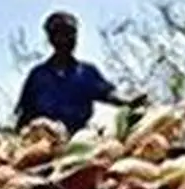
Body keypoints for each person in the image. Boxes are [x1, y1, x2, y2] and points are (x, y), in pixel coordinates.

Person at [15, 11, 146, 134]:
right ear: (51, 39)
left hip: (80, 138)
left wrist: (129, 101)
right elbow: (25, 114)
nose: (69, 39)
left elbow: (108, 94)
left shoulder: (87, 72)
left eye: (72, 34)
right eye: (62, 34)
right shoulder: (38, 76)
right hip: (44, 142)